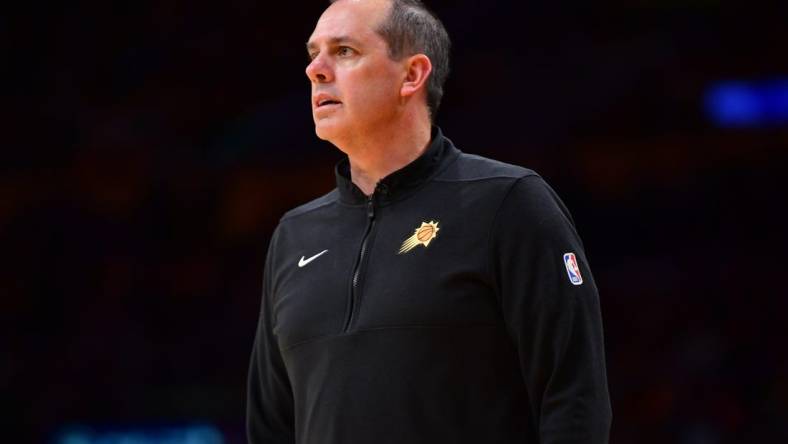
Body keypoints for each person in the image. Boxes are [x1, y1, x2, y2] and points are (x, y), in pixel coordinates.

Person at [246, 0, 612, 443]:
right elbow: (271, 427)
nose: (315, 70)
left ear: (412, 75)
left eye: (344, 51)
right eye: (313, 53)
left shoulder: (508, 203)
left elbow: (574, 399)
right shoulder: (293, 235)